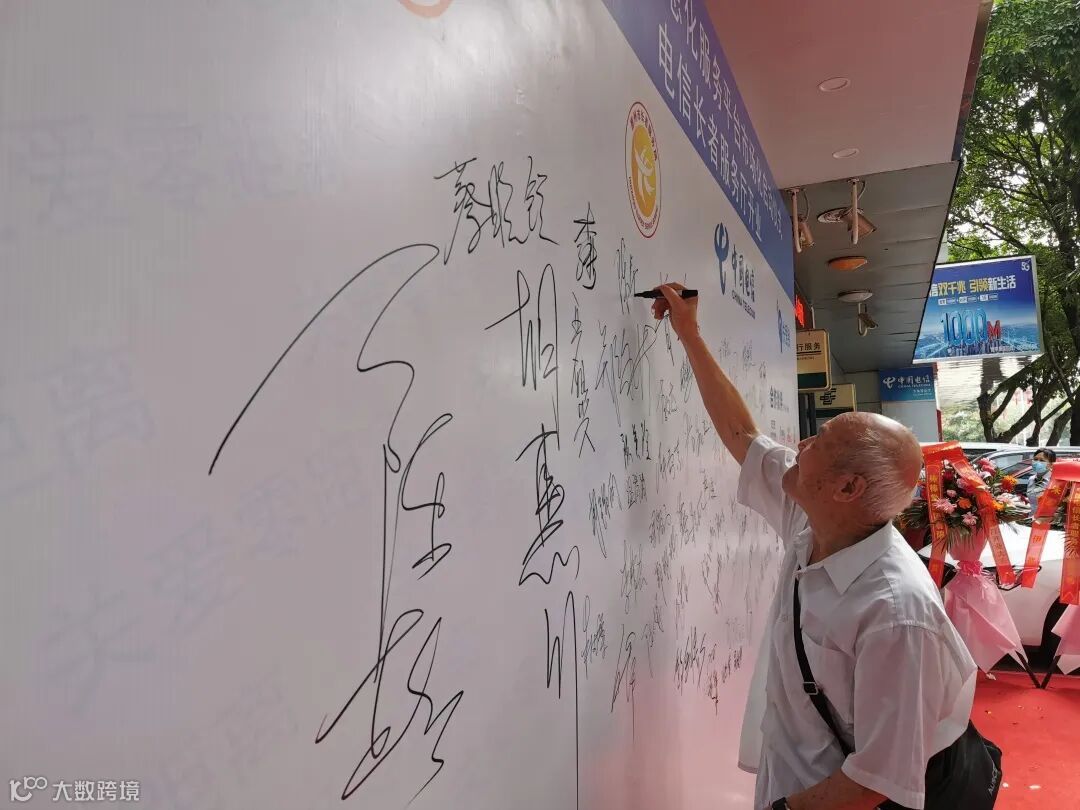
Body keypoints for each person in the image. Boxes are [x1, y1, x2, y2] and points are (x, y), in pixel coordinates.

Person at [651, 284, 996, 810]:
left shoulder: (896, 613)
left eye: (820, 441)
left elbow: (877, 780)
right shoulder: (813, 520)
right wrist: (689, 333)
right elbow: (743, 435)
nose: (801, 444)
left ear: (848, 487)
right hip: (790, 777)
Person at [1026, 448, 1056, 516]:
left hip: (1047, 519)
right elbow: (1033, 501)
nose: (1037, 462)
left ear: (1051, 464)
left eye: (1042, 460)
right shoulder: (1031, 479)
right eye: (1035, 459)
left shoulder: (1054, 481)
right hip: (1031, 517)